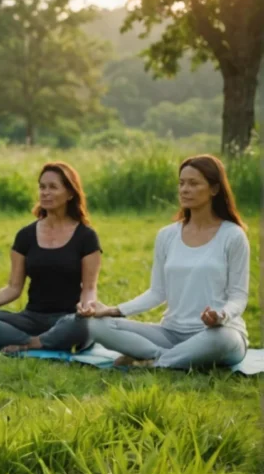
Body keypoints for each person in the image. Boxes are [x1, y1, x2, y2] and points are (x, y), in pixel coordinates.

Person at [78, 154, 249, 369]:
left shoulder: (232, 235)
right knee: (94, 325)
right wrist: (114, 310)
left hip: (215, 334)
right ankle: (168, 358)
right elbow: (157, 293)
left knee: (225, 340)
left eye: (194, 183)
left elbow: (238, 296)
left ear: (214, 189)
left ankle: (152, 361)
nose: (185, 190)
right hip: (170, 333)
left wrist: (221, 316)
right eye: (181, 183)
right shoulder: (167, 235)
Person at [0, 162, 100, 353]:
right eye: (42, 187)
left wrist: (87, 308)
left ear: (70, 193)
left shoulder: (86, 237)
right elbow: (13, 288)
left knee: (84, 325)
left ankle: (30, 344)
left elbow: (89, 288)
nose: (45, 192)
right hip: (31, 319)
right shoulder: (26, 235)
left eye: (53, 187)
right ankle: (36, 341)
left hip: (68, 318)